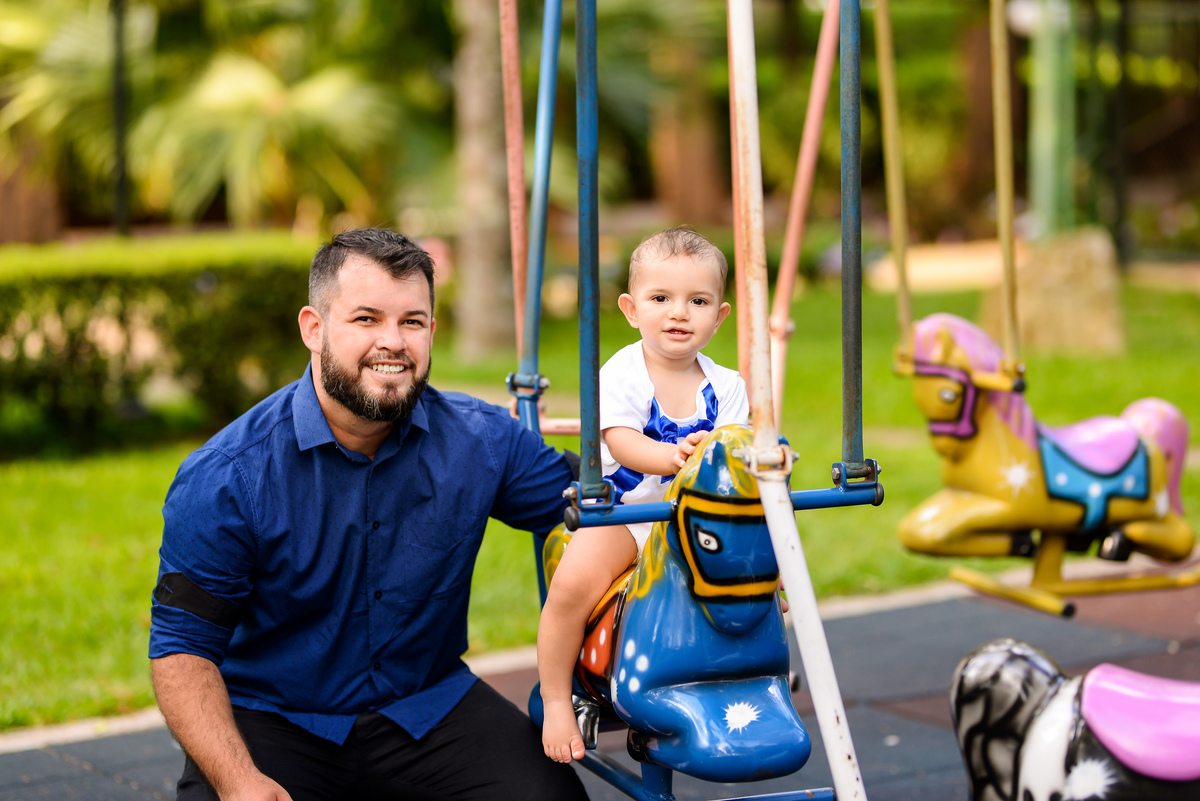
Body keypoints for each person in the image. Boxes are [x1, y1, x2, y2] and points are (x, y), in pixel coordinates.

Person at [149, 227, 590, 801]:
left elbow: (600, 507)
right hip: (277, 717)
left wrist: (675, 442)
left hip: (428, 706)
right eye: (366, 319)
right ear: (314, 328)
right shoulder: (227, 474)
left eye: (411, 322)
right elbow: (183, 651)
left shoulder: (481, 441)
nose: (393, 342)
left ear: (432, 332)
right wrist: (238, 781)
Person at [537, 227, 749, 763]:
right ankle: (560, 698)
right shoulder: (622, 372)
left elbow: (737, 450)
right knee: (571, 589)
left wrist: (727, 449)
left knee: (764, 568)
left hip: (696, 520)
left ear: (719, 316)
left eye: (697, 301)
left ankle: (749, 665)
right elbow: (623, 442)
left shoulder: (728, 386)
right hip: (629, 515)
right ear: (632, 309)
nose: (679, 313)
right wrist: (677, 456)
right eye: (661, 299)